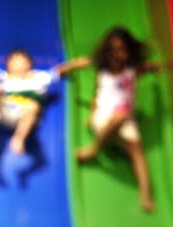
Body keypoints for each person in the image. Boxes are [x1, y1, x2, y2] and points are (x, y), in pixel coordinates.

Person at [59, 26, 165, 212]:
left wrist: (158, 69)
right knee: (121, 117)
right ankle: (94, 149)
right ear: (105, 52)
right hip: (102, 117)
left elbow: (151, 68)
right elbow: (82, 62)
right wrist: (64, 69)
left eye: (122, 50)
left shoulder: (133, 70)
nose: (116, 55)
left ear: (130, 52)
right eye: (112, 50)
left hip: (125, 122)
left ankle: (146, 195)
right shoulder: (103, 69)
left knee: (136, 149)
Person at [0, 45, 63, 155]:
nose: (19, 64)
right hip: (5, 114)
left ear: (29, 64)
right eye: (14, 61)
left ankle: (19, 139)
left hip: (25, 118)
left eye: (22, 61)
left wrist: (74, 64)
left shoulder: (38, 77)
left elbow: (58, 71)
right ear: (8, 65)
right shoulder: (5, 77)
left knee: (33, 105)